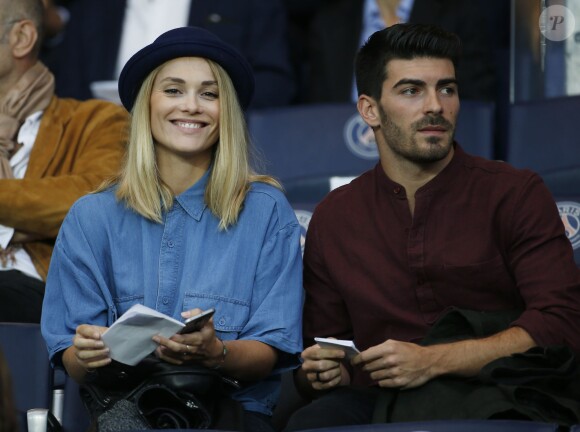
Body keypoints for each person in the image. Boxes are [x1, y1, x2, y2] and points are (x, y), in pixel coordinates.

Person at [285, 23, 580, 430]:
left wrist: (431, 362)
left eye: (447, 89)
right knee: (310, 423)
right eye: (411, 91)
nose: (436, 106)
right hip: (378, 400)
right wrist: (321, 372)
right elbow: (327, 348)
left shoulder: (514, 192)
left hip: (502, 389)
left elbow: (560, 323)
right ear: (370, 109)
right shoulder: (335, 217)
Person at [41, 26, 303, 431]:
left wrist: (215, 352)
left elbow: (271, 348)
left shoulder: (266, 211)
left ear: (226, 111)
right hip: (122, 418)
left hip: (232, 419)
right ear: (147, 104)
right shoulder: (90, 216)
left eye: (210, 93)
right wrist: (88, 354)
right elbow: (72, 360)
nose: (192, 106)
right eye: (174, 90)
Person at [0, 0, 128, 323]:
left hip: (43, 292)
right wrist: (28, 218)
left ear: (22, 37)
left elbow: (91, 204)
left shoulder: (95, 121)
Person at [49, 0, 295, 108]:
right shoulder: (91, 7)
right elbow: (69, 89)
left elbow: (274, 82)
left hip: (209, 144)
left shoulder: (246, 3)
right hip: (105, 145)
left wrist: (214, 107)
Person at [286, 0, 496, 103]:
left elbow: (474, 111)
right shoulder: (328, 23)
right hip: (344, 163)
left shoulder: (460, 13)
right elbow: (319, 119)